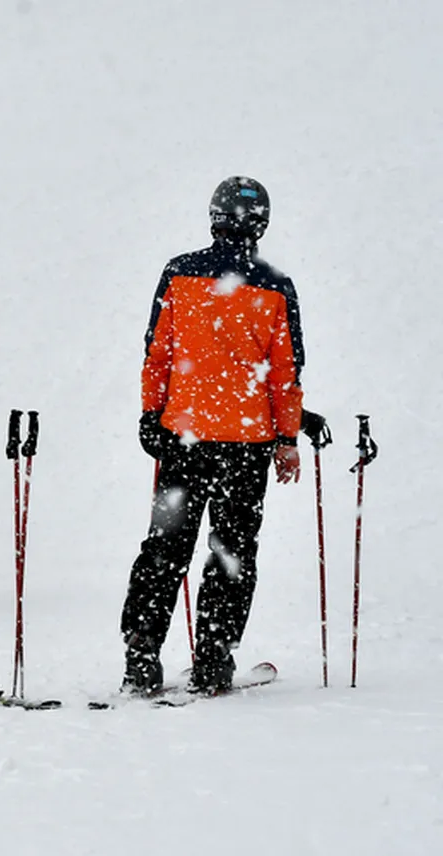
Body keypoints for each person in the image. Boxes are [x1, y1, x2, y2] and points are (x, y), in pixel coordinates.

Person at [119, 176, 306, 696]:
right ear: (262, 224)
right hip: (246, 446)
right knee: (232, 551)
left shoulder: (179, 273)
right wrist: (286, 438)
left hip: (185, 439)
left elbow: (157, 353)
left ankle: (141, 657)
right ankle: (214, 660)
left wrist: (151, 415)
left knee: (165, 549)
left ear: (214, 217)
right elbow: (285, 371)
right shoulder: (275, 285)